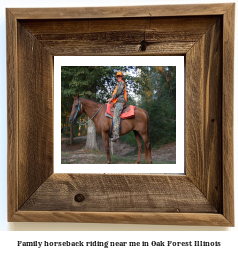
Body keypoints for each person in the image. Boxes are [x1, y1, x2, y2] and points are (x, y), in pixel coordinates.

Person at [108, 71, 127, 142]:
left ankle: (116, 134)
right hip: (117, 101)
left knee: (116, 115)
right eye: (117, 76)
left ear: (122, 77)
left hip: (120, 102)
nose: (119, 77)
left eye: (120, 76)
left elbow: (118, 92)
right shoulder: (118, 84)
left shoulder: (121, 83)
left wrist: (112, 98)